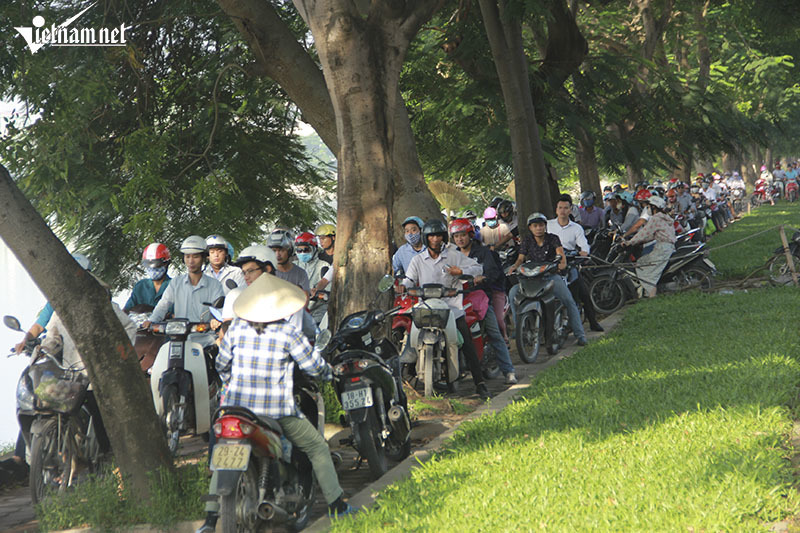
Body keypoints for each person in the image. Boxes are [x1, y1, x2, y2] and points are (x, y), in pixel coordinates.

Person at [196, 274, 352, 532]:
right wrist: (329, 372)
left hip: (234, 410)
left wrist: (232, 382)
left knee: (224, 458)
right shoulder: (288, 332)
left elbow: (221, 364)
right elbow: (313, 366)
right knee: (317, 447)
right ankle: (338, 506)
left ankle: (209, 522)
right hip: (276, 411)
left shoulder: (235, 328)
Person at [41, 273, 137, 456]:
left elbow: (130, 328)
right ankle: (60, 457)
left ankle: (106, 454)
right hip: (70, 373)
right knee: (51, 405)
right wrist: (43, 347)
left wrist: (119, 354)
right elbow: (51, 338)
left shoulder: (104, 306)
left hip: (97, 375)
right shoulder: (60, 310)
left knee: (100, 415)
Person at [400, 219, 491, 400]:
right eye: (432, 236)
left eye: (439, 235)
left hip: (452, 307)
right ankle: (403, 382)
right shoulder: (418, 260)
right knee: (409, 341)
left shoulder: (453, 255)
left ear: (443, 237)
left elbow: (477, 267)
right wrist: (403, 286)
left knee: (467, 343)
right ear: (426, 238)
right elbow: (409, 280)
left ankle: (479, 383)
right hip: (426, 306)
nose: (435, 239)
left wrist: (461, 272)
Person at [449, 218, 517, 384]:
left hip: (480, 297)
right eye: (456, 236)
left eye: (463, 235)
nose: (460, 239)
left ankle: (509, 371)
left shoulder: (484, 252)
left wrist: (482, 278)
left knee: (494, 332)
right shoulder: (451, 255)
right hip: (456, 298)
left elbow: (493, 273)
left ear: (470, 235)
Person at [507, 213, 587, 346]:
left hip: (551, 276)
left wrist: (560, 265)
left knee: (568, 301)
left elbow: (561, 255)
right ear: (530, 228)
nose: (538, 228)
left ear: (545, 226)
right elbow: (521, 258)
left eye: (541, 225)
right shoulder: (527, 240)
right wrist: (514, 267)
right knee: (513, 294)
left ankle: (580, 335)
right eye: (535, 226)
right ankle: (521, 331)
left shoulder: (553, 238)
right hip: (532, 278)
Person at [145, 236, 224, 346]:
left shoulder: (214, 285)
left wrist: (216, 321)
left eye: (195, 256)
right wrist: (151, 321)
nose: (191, 261)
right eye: (187, 257)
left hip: (206, 341)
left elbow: (220, 311)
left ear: (204, 258)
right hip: (178, 340)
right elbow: (163, 305)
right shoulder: (176, 283)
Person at [547, 195, 604, 332]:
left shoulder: (577, 228)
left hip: (569, 263)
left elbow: (584, 246)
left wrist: (583, 252)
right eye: (560, 208)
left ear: (571, 209)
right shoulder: (548, 225)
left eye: (566, 208)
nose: (562, 211)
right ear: (556, 210)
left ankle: (592, 321)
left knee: (583, 292)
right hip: (550, 264)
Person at [621, 195, 676, 298]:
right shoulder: (664, 217)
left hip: (662, 249)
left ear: (653, 207)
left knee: (646, 270)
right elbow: (651, 235)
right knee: (642, 262)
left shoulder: (655, 218)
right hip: (666, 247)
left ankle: (651, 295)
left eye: (648, 206)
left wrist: (630, 242)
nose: (647, 209)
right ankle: (646, 292)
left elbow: (644, 232)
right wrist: (637, 241)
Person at [294, 232, 333, 324]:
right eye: (299, 250)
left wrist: (316, 292)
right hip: (295, 312)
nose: (302, 253)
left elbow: (328, 289)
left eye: (306, 249)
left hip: (316, 314)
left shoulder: (323, 265)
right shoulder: (293, 266)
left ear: (314, 249)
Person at [124, 243, 172, 311]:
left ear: (166, 263)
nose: (152, 269)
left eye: (156, 264)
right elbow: (126, 311)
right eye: (148, 264)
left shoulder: (174, 286)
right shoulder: (140, 286)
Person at [267, 229, 310, 294]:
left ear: (289, 251)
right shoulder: (266, 273)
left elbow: (305, 299)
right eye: (274, 251)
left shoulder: (301, 274)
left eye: (281, 250)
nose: (277, 255)